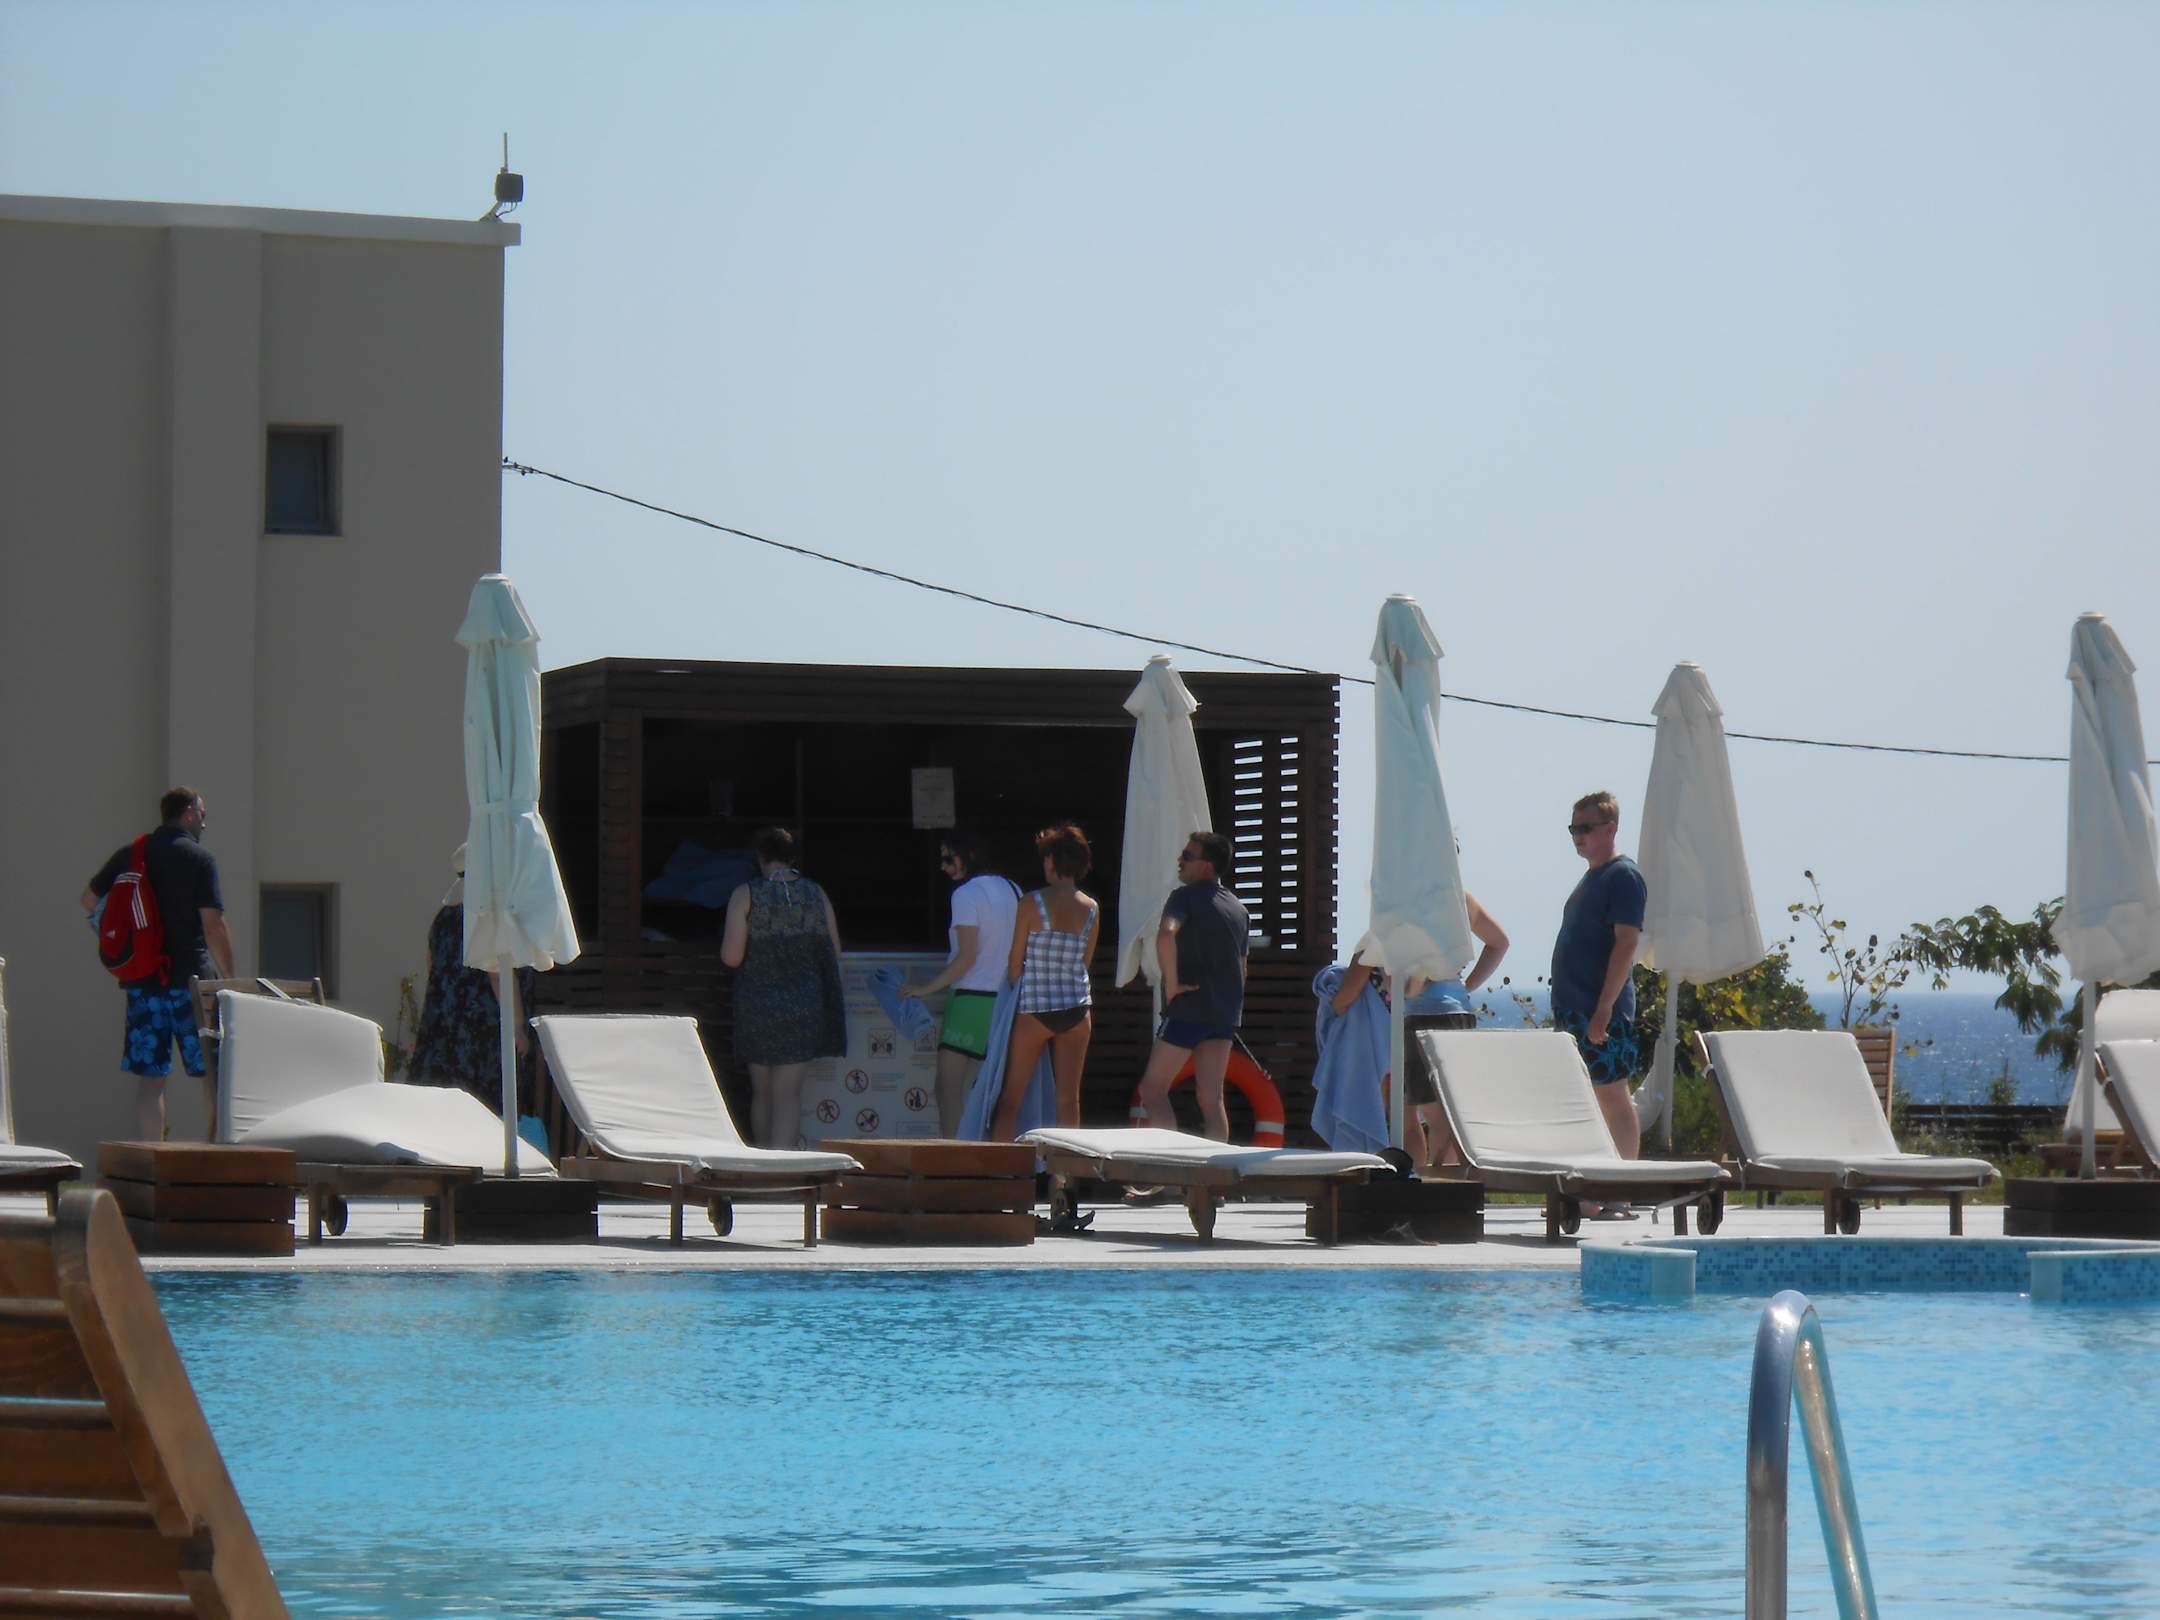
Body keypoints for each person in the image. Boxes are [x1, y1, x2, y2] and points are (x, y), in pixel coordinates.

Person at [81, 786, 235, 1141]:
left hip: (145, 983)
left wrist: (125, 937)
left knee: (151, 1081)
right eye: (203, 815)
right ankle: (214, 1156)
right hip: (192, 984)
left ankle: (153, 1157)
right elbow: (213, 925)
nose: (204, 824)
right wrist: (228, 977)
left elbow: (89, 899)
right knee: (213, 1076)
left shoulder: (132, 854)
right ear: (189, 813)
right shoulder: (200, 859)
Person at [1331, 890, 1509, 1172]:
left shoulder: (1398, 905)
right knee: (1446, 1115)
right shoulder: (1458, 899)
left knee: (1417, 1118)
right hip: (1459, 1013)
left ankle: (1429, 1184)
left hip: (1420, 1018)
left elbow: (1390, 988)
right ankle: (1437, 1182)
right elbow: (1499, 943)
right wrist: (1464, 987)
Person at [721, 827, 846, 1148]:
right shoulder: (815, 893)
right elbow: (833, 951)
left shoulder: (745, 894)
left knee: (762, 1094)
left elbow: (731, 957)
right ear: (792, 857)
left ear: (760, 857)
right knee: (788, 1095)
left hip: (757, 1006)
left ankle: (762, 1166)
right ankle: (783, 1168)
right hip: (804, 1006)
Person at [898, 831, 1021, 1134]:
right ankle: (990, 1153)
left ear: (970, 855)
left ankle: (954, 1154)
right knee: (993, 1092)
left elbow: (967, 956)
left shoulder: (965, 894)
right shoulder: (1015, 889)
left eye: (948, 858)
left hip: (969, 1000)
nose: (943, 866)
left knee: (948, 1089)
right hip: (1007, 1001)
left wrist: (924, 989)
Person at [1553, 791, 1647, 1175]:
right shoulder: (1592, 878)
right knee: (1587, 1100)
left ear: (1610, 829)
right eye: (1573, 829)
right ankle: (1594, 1184)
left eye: (1586, 828)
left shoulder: (1622, 876)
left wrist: (1605, 1007)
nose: (1578, 836)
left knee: (1612, 1095)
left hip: (1599, 1009)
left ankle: (1623, 1184)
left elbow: (1627, 942)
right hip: (1576, 1007)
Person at [1134, 830, 1249, 1141]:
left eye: (1187, 856)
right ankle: (1216, 1171)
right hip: (1224, 1013)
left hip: (1189, 1006)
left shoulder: (1183, 897)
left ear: (1207, 866)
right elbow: (1242, 967)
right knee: (1212, 1099)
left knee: (1153, 1089)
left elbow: (1166, 934)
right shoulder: (1239, 909)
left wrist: (1171, 985)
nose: (1180, 861)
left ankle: (1167, 1164)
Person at [408, 844, 535, 1115]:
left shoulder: (443, 918)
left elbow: (432, 965)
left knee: (439, 1113)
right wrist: (517, 1028)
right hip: (480, 1036)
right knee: (484, 1115)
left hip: (440, 1030)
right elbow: (498, 975)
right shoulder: (491, 917)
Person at [990, 823, 1099, 1140]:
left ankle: (1004, 1167)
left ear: (1052, 860)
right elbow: (1085, 962)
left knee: (1010, 1098)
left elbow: (1015, 962)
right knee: (1068, 1101)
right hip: (1077, 1008)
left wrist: (1015, 990)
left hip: (1036, 1007)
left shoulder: (1031, 902)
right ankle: (1068, 1169)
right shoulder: (1091, 908)